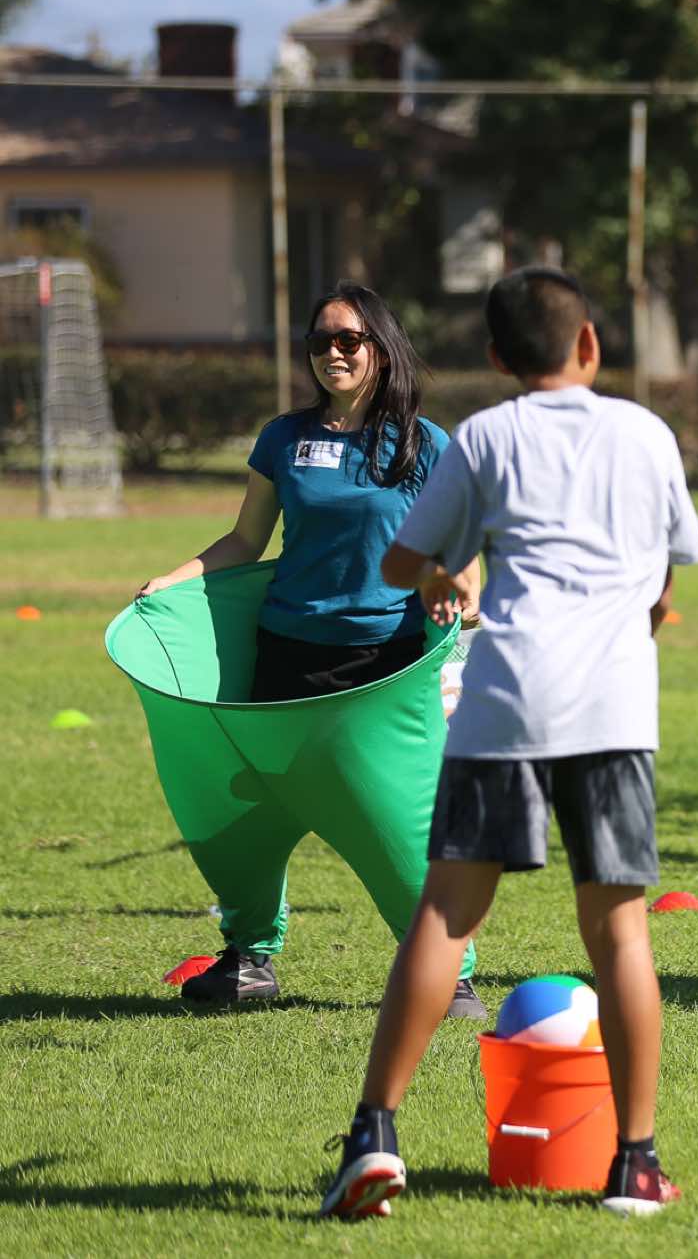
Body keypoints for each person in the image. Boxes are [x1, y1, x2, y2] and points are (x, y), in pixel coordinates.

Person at [317, 266, 698, 1221]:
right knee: (620, 930)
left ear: (497, 357)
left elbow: (401, 561)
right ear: (591, 344)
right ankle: (636, 1162)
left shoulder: (487, 436)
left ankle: (374, 1134)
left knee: (447, 916)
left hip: (504, 703)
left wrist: (441, 572)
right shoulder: (647, 434)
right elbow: (666, 580)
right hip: (613, 711)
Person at [138, 281, 485, 1018]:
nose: (333, 352)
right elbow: (244, 540)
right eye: (320, 340)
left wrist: (463, 591)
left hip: (383, 668)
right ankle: (249, 957)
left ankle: (446, 972)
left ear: (381, 350)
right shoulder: (284, 439)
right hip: (285, 657)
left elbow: (462, 550)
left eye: (348, 339)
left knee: (396, 824)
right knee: (250, 821)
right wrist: (173, 579)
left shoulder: (426, 444)